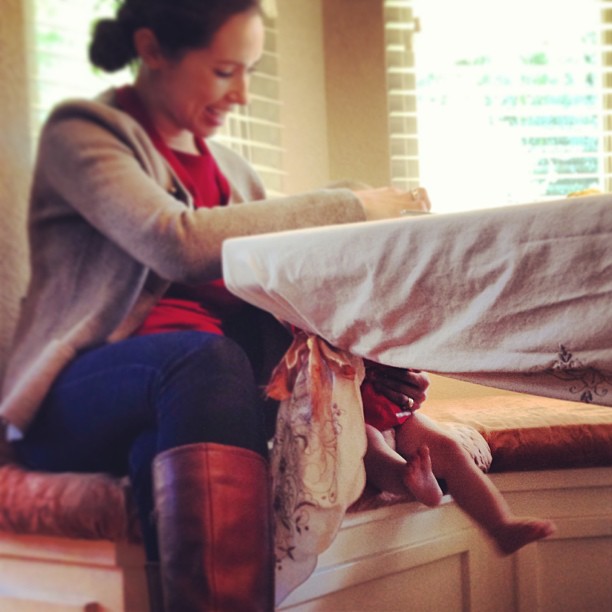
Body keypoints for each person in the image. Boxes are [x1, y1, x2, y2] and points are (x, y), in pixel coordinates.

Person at [0, 1, 429, 610]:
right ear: (151, 50)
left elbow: (289, 264)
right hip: (75, 406)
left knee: (185, 436)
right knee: (206, 361)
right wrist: (356, 203)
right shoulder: (86, 133)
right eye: (226, 71)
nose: (244, 95)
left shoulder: (232, 172)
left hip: (192, 407)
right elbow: (175, 242)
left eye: (251, 71)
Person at [361, 364, 557, 555]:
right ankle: (408, 478)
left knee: (450, 450)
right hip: (356, 418)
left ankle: (499, 525)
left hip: (399, 413)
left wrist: (413, 372)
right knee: (373, 450)